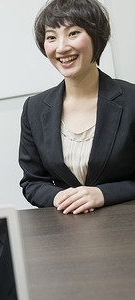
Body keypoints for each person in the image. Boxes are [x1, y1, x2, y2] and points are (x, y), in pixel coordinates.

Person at [19, 0, 135, 215]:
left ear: (96, 36)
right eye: (51, 37)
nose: (62, 47)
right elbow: (32, 182)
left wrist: (103, 194)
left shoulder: (131, 99)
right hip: (69, 231)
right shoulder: (33, 108)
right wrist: (57, 196)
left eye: (73, 33)